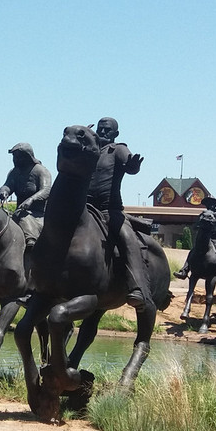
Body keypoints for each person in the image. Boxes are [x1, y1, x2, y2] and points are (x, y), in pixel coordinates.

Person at [86, 117, 148, 309]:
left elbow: (130, 166)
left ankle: (137, 286)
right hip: (84, 207)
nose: (102, 133)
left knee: (127, 238)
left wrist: (133, 165)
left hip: (108, 209)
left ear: (115, 134)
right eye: (100, 129)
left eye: (107, 130)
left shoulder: (118, 149)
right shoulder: (90, 150)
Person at [0, 142, 52, 248]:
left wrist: (31, 199)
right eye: (14, 157)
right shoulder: (14, 172)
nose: (15, 160)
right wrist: (4, 191)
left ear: (27, 157)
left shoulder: (40, 171)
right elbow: (8, 185)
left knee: (23, 216)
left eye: (18, 157)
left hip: (37, 214)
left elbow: (46, 190)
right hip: (18, 212)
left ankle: (31, 240)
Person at [173, 196, 216, 280]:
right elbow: (195, 225)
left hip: (215, 239)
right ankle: (184, 270)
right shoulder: (203, 214)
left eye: (211, 203)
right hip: (204, 238)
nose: (209, 205)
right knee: (193, 251)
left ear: (214, 204)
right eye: (207, 203)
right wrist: (199, 225)